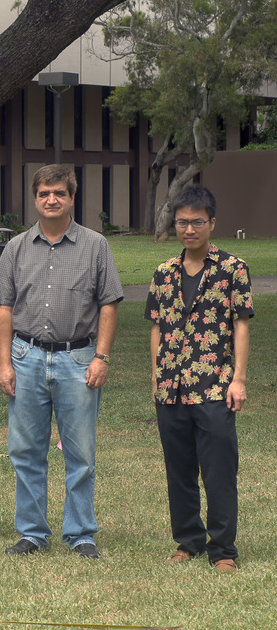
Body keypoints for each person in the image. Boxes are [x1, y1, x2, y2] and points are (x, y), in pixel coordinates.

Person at [0, 164, 123, 559]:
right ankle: (32, 533)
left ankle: (81, 534)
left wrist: (101, 356)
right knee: (26, 450)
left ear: (71, 197)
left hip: (78, 358)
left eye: (59, 193)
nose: (51, 199)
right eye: (44, 193)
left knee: (80, 452)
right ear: (35, 198)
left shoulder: (95, 245)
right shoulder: (15, 247)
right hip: (26, 356)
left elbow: (110, 304)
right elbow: (3, 308)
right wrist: (4, 364)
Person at [146, 186, 252, 573]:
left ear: (212, 223)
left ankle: (223, 549)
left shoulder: (232, 269)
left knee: (219, 470)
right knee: (179, 468)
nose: (189, 229)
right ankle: (187, 540)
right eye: (182, 222)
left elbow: (241, 327)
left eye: (197, 222)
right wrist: (155, 377)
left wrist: (238, 379)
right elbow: (157, 329)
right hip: (171, 387)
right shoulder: (163, 273)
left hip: (214, 385)